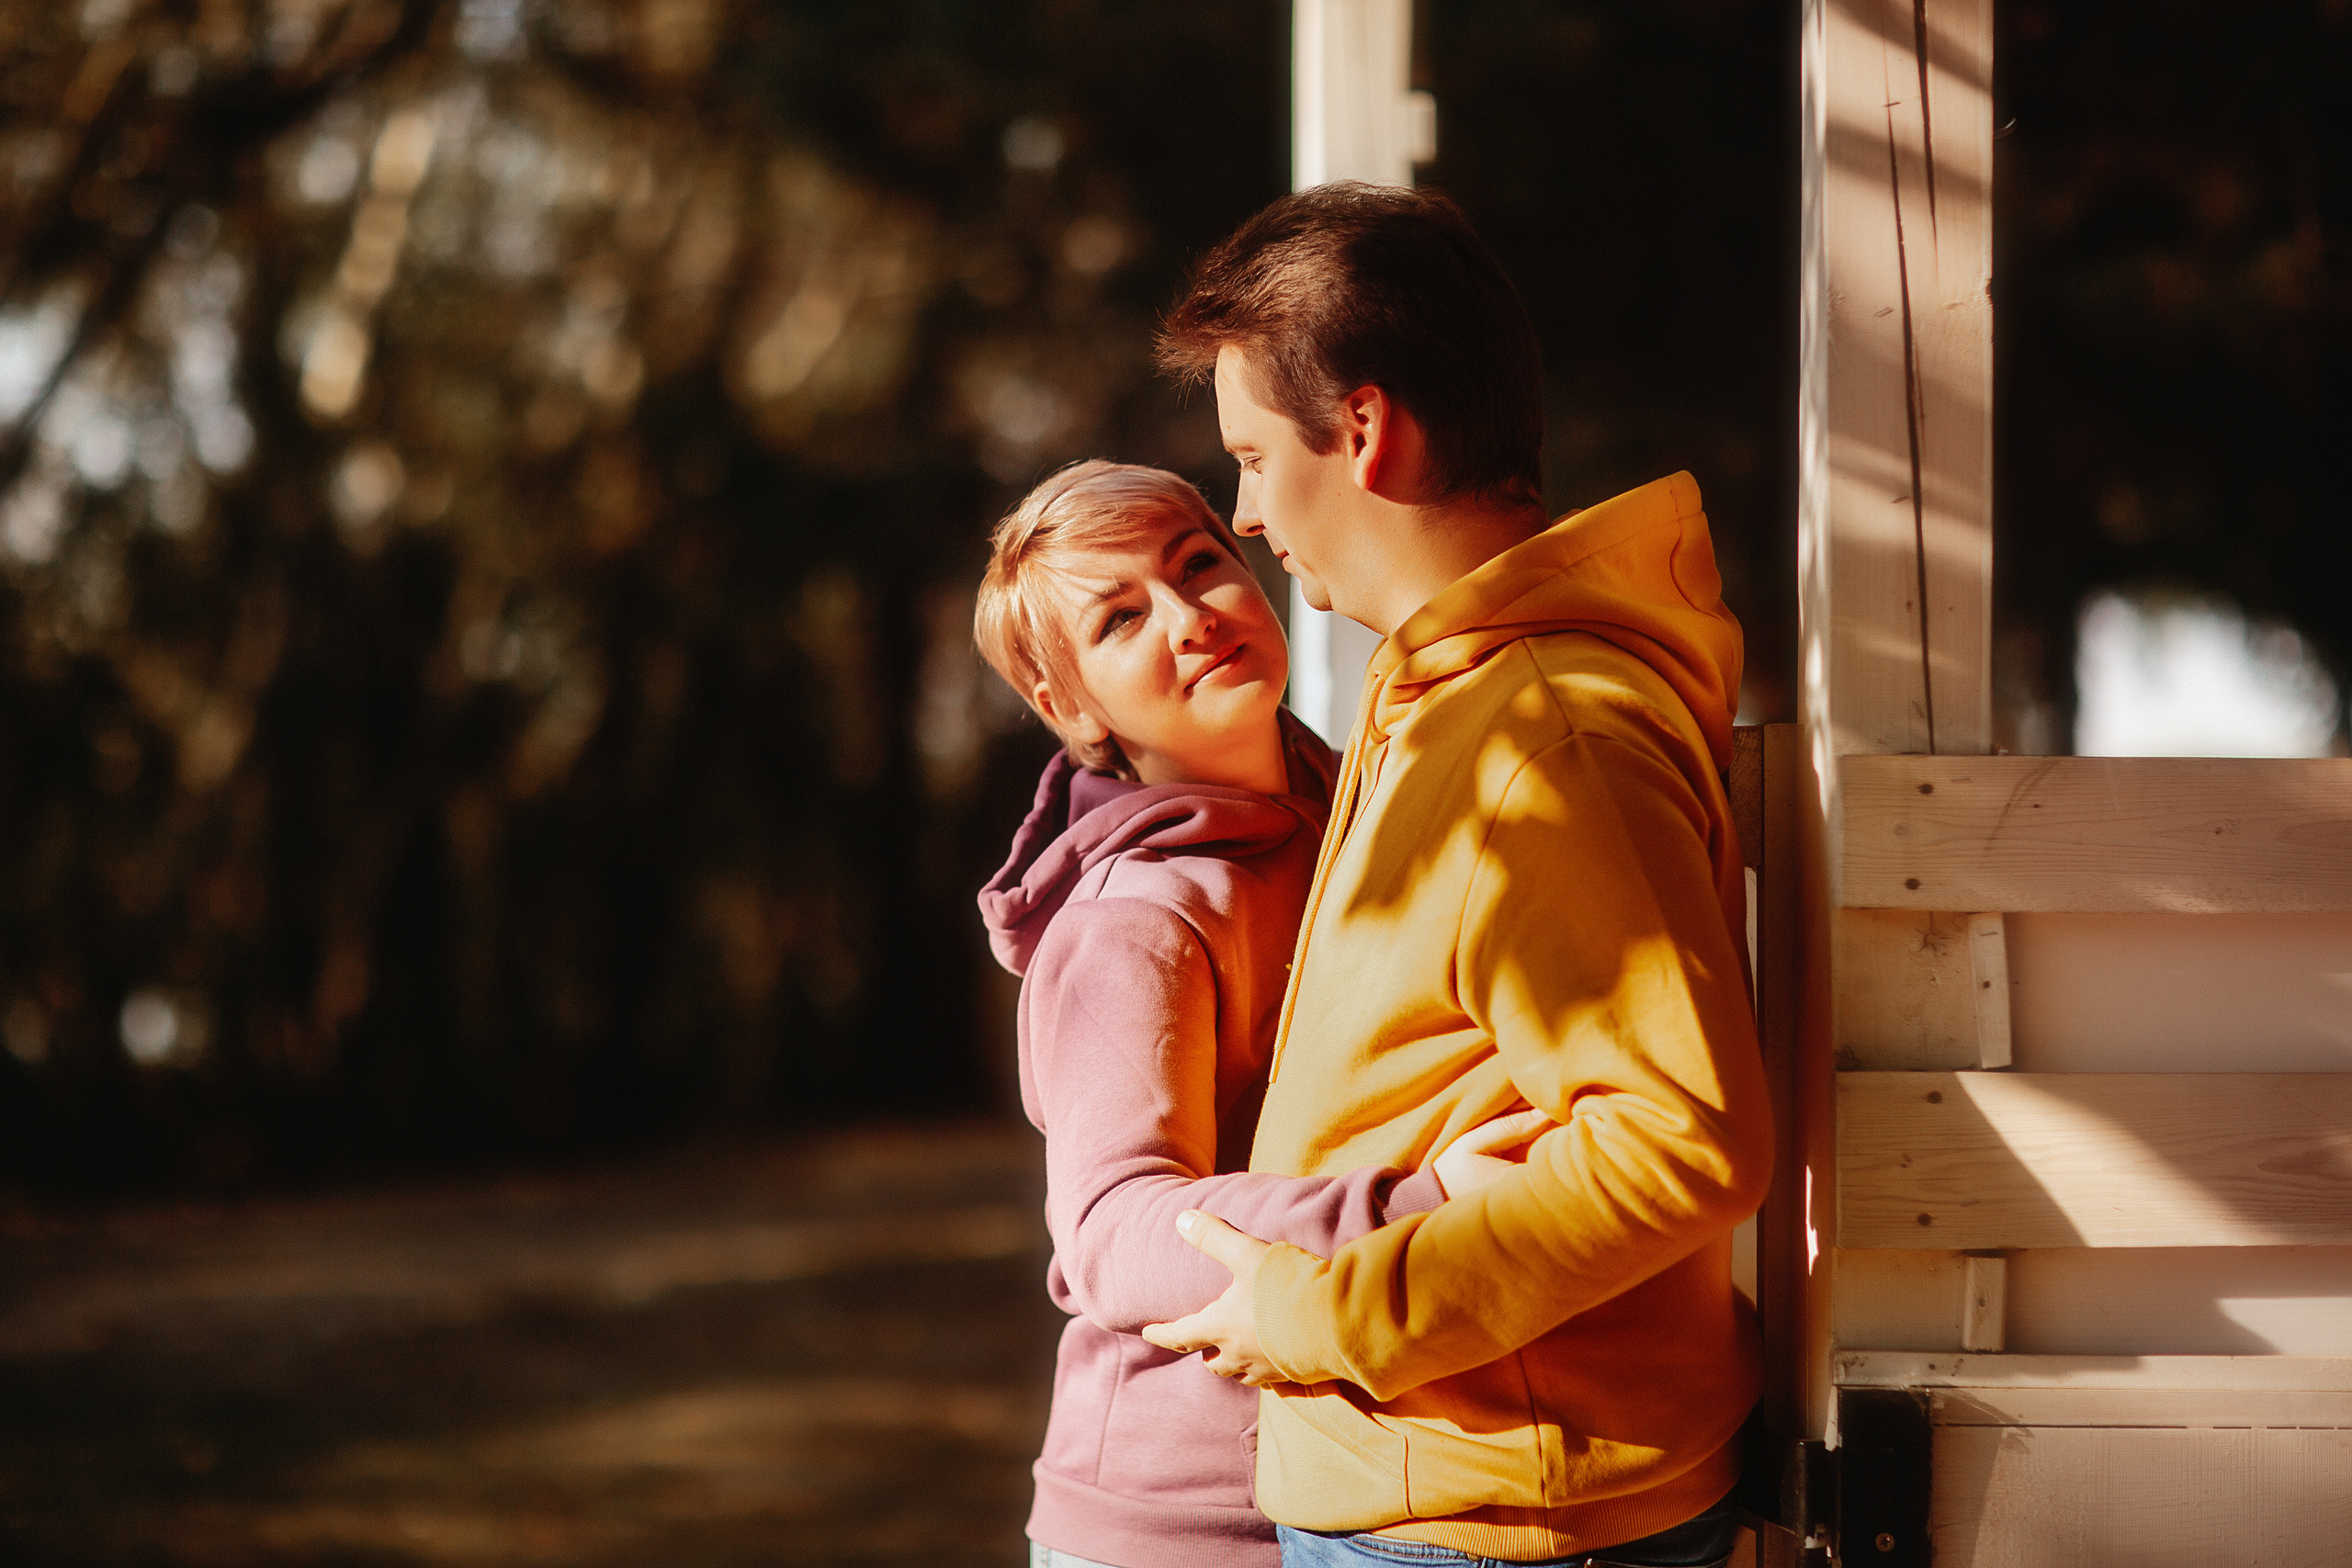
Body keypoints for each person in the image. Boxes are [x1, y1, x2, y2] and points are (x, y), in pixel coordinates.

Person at [1136, 184, 1773, 1568]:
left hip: (1496, 1520)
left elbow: (1678, 1141)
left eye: (1251, 455)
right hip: (1458, 1490)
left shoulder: (1543, 738)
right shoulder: (1454, 701)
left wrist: (1324, 1313)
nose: (1245, 512)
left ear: (1363, 430)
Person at [974, 459, 1547, 1568]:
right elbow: (1113, 1235)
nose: (1189, 620)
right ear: (1067, 705)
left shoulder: (1359, 808)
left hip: (1366, 1477)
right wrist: (1425, 1210)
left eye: (1200, 567)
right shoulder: (1133, 919)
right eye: (1122, 618)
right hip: (1186, 1522)